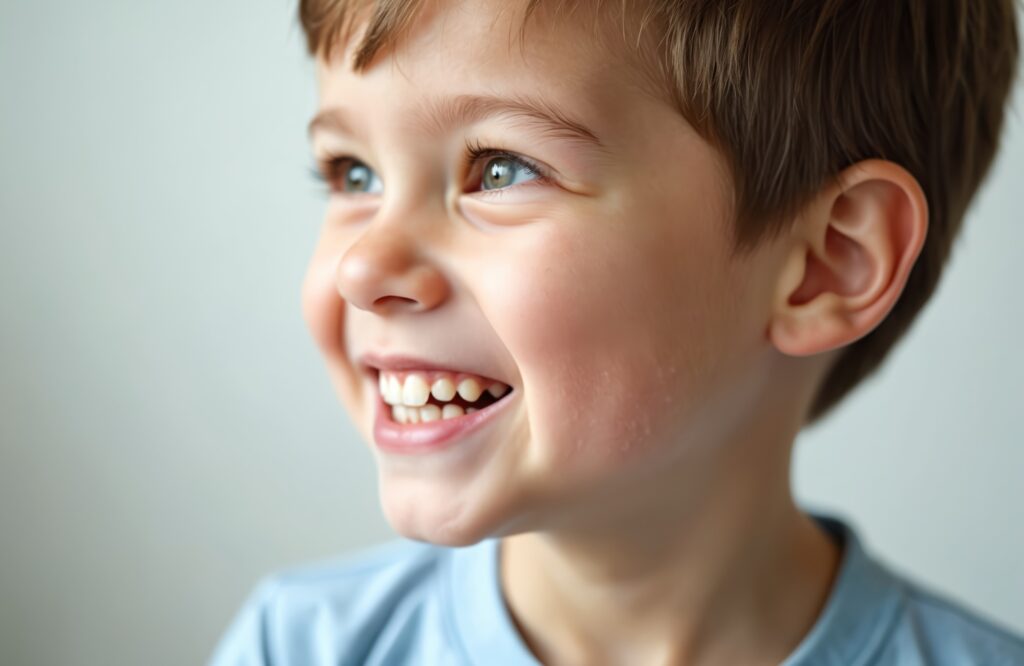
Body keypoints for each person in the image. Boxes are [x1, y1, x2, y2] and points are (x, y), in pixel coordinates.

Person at [211, 0, 1023, 663]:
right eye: (354, 174)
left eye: (501, 168)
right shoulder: (296, 648)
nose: (361, 268)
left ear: (826, 264)